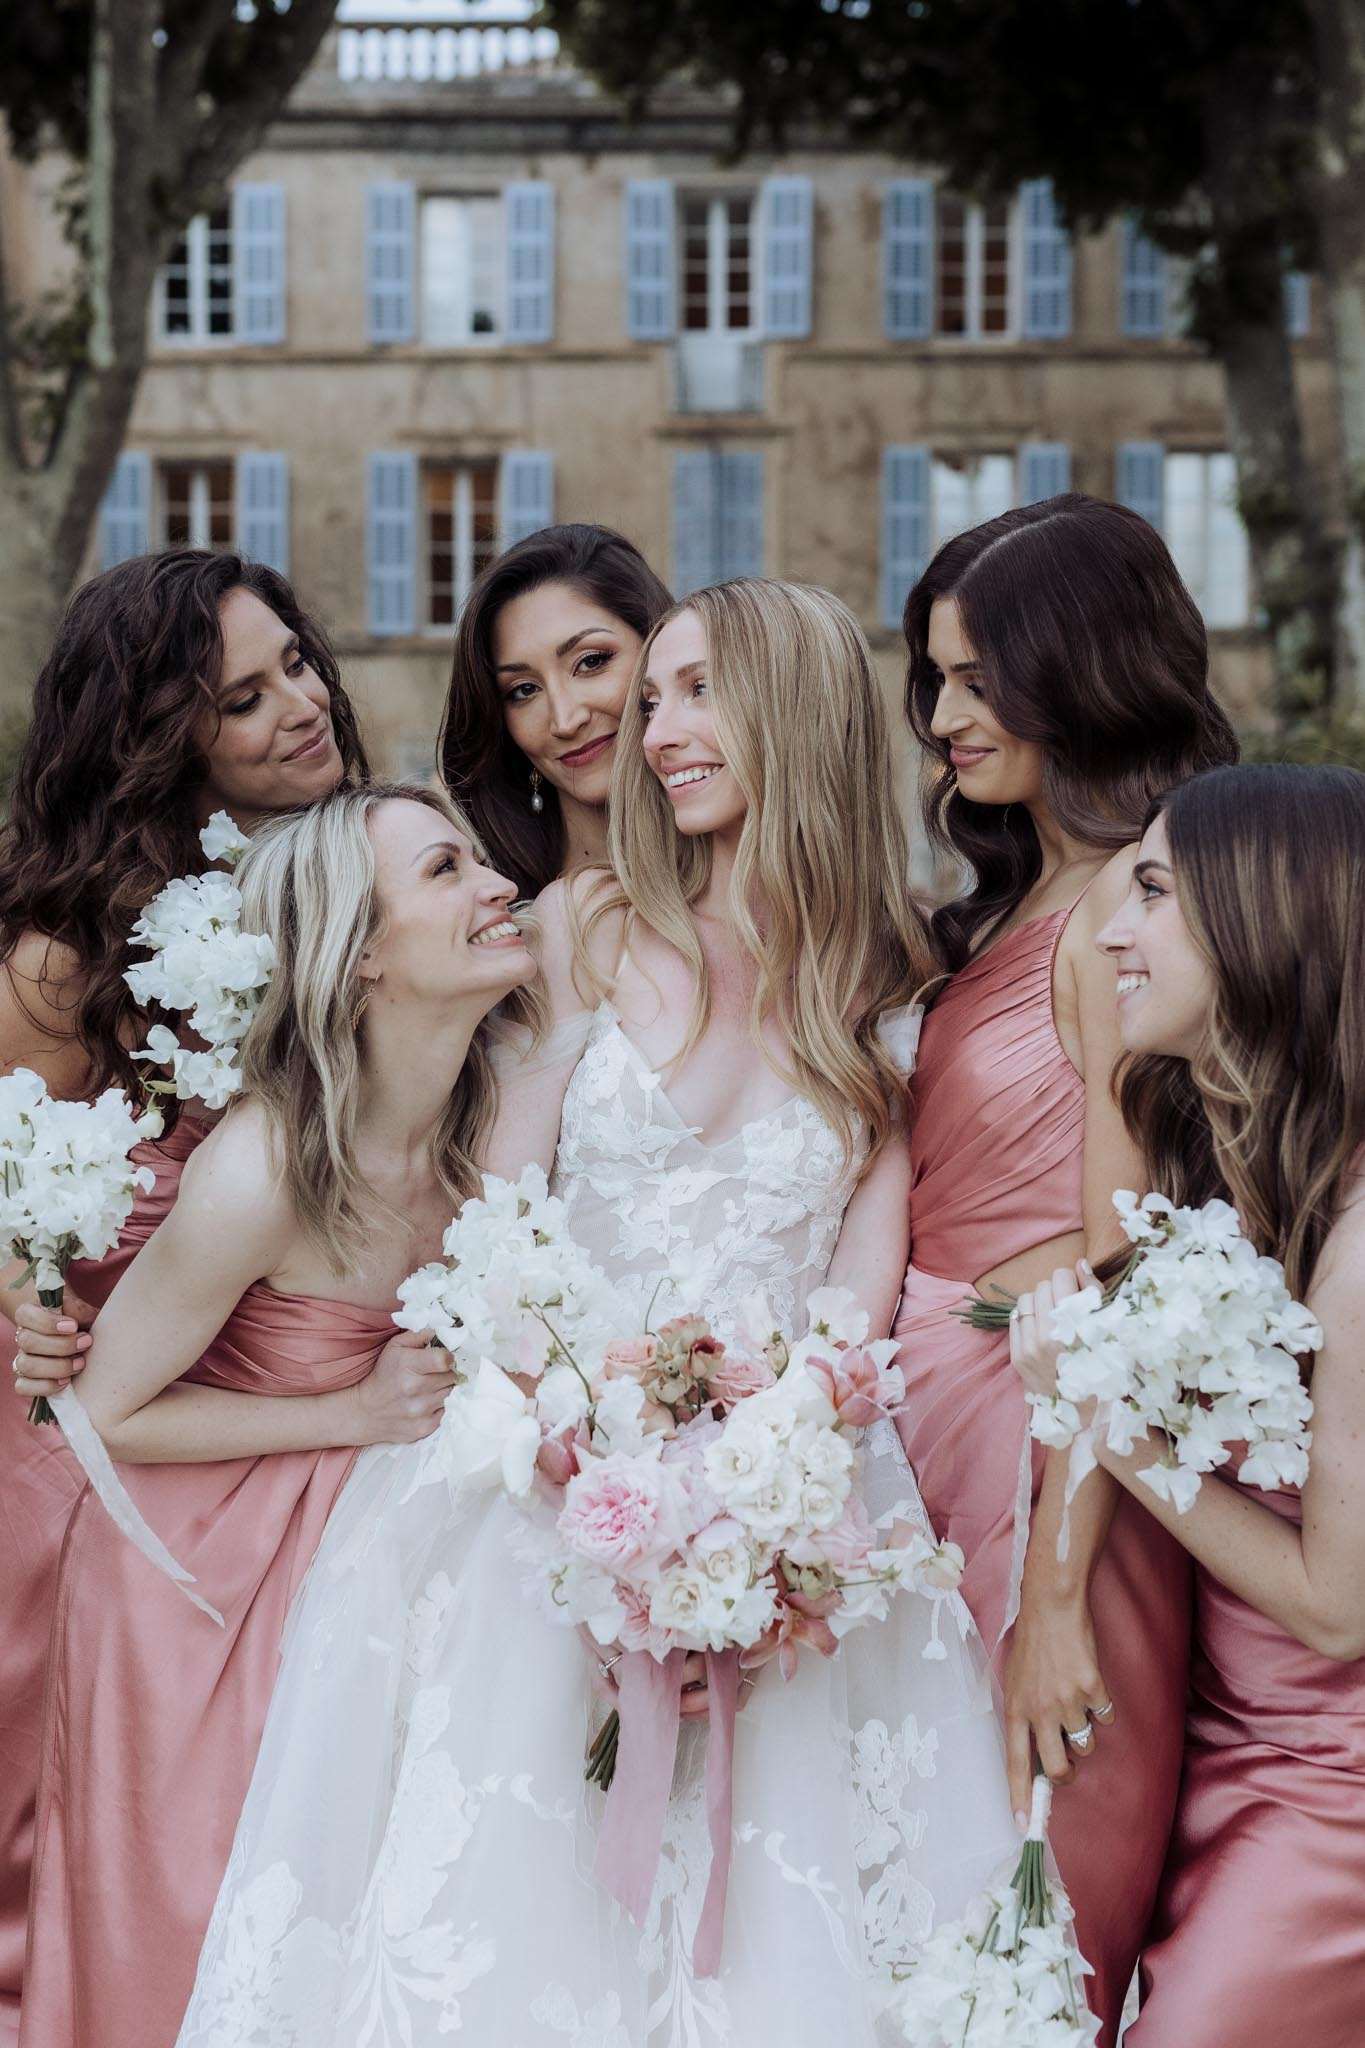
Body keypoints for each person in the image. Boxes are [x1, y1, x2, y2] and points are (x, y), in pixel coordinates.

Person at [175, 581, 1021, 2047]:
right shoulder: (583, 926)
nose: (656, 733)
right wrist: (585, 1443)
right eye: (654, 703)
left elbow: (858, 1278)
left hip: (801, 1495)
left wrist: (774, 1471)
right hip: (545, 1486)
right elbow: (502, 1215)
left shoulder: (891, 980)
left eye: (693, 695)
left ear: (792, 713)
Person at [18, 785, 539, 2048]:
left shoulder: (487, 1116)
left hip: (372, 1547)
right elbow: (95, 1414)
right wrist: (353, 1407)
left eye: (480, 859)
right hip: (193, 1582)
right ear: (361, 947)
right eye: (447, 870)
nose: (498, 885)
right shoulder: (263, 1165)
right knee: (213, 1919)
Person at [0, 547, 368, 2040]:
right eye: (240, 696)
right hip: (89, 1460)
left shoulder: (352, 889)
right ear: (158, 743)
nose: (302, 705)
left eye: (296, 663)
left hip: (310, 1455)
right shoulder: (63, 965)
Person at [890, 494, 1238, 2042]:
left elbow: (1132, 1284)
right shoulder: (1001, 910)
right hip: (924, 1451)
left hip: (1067, 1472)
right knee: (916, 1910)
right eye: (938, 681)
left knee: (1037, 1929)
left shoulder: (1136, 915)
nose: (948, 716)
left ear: (1081, 668)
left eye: (981, 678)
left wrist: (1054, 1595)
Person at [1010, 763, 1365, 2048]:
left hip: (1332, 1794)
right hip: (1218, 1750)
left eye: (1153, 890)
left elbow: (1338, 1604)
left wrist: (1116, 1425)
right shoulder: (1225, 1170)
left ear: (1266, 916)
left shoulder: (1361, 1240)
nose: (1111, 927)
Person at [438, 522, 673, 897]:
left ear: (658, 644)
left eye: (592, 661)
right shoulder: (500, 914)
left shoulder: (762, 874)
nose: (565, 721)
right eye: (524, 690)